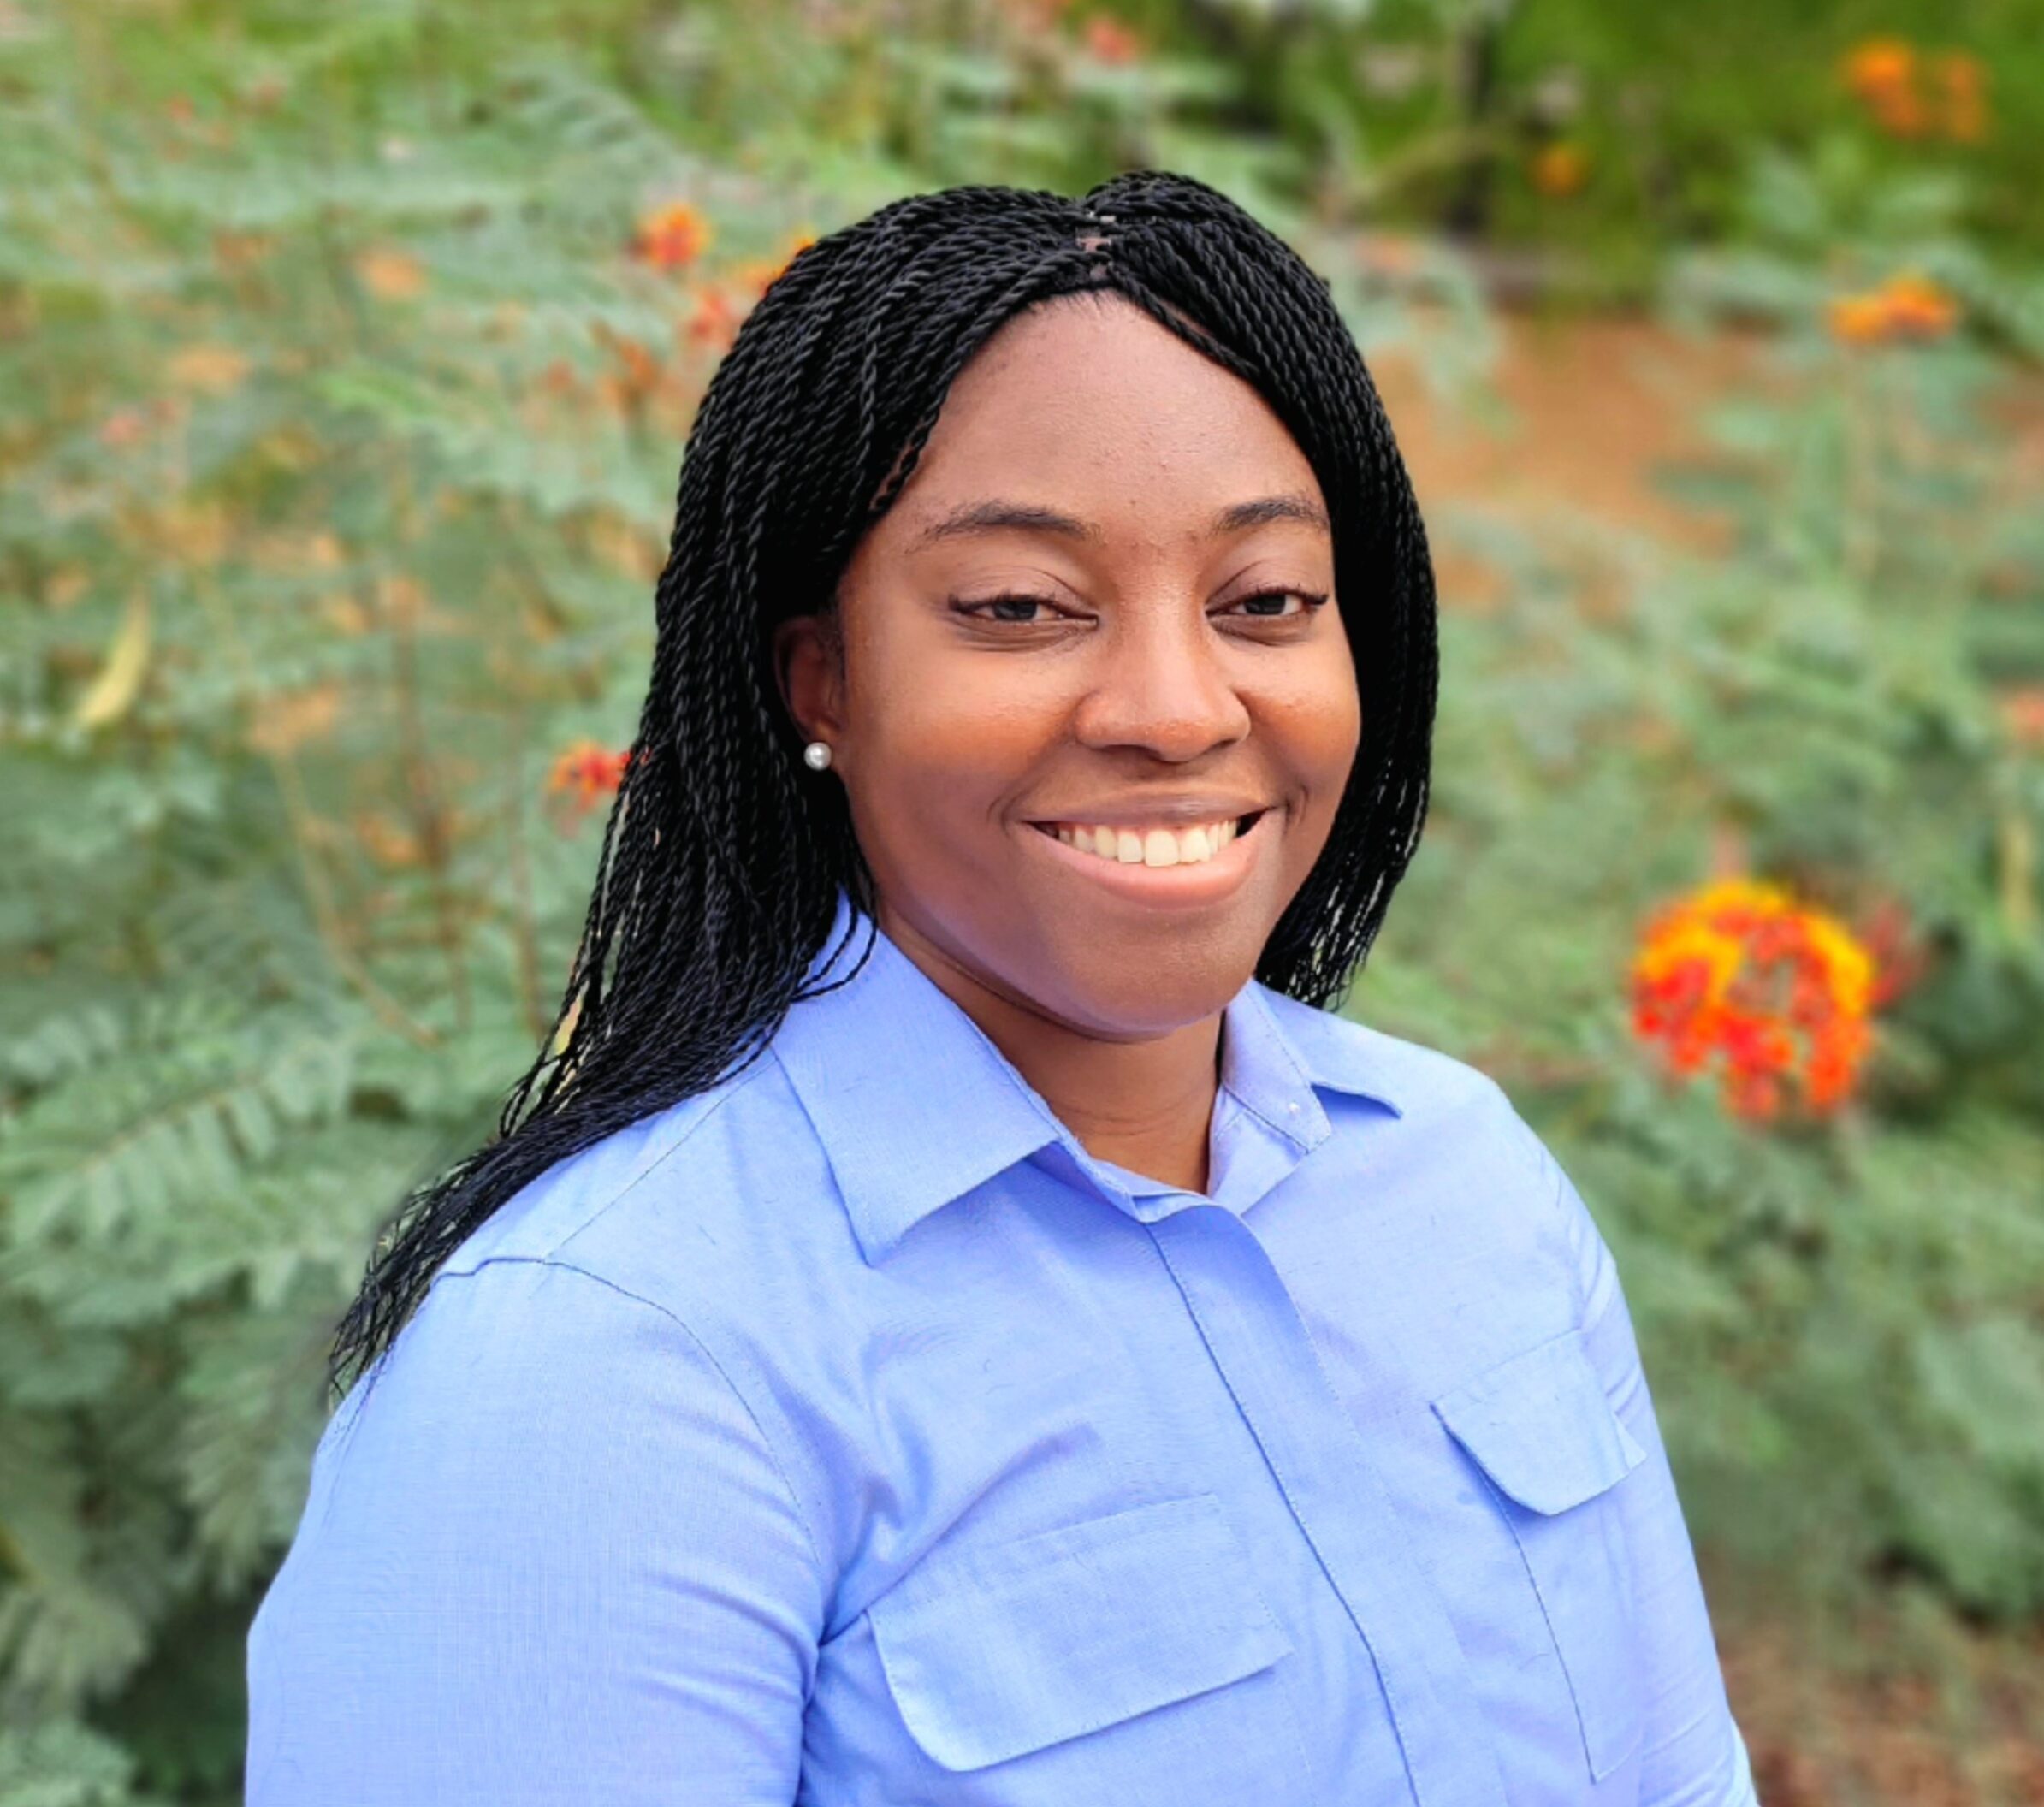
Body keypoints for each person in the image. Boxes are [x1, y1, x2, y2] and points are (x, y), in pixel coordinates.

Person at [245, 171, 1761, 1806]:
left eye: (1263, 603)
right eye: (1022, 609)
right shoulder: (607, 1367)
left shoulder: (1464, 1186)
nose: (1179, 709)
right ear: (818, 675)